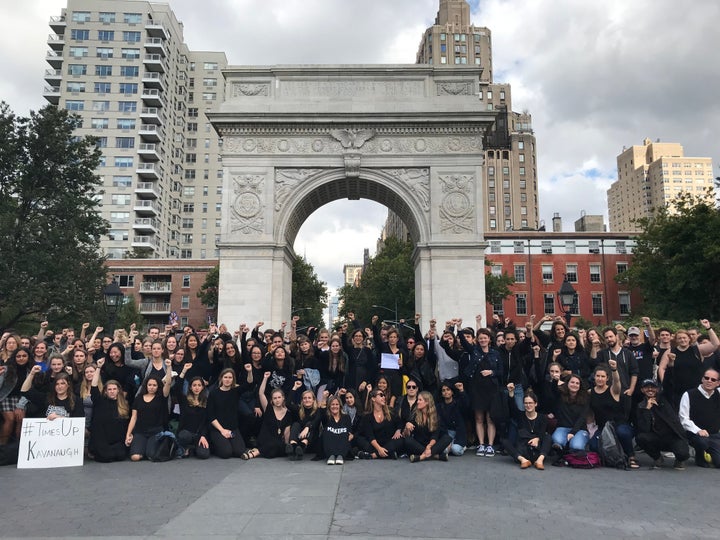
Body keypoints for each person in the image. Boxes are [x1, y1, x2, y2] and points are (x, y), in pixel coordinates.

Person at [458, 325, 501, 457]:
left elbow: (501, 371)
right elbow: (464, 343)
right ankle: (481, 444)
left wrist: (491, 372)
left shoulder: (496, 353)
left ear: (489, 339)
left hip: (491, 388)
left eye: (485, 338)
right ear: (477, 340)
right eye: (480, 338)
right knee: (479, 418)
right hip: (476, 388)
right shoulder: (474, 351)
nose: (482, 340)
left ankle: (490, 445)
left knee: (490, 418)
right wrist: (459, 328)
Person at [588, 361, 639, 469]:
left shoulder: (613, 390)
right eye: (598, 376)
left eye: (603, 376)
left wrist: (614, 370)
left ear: (607, 378)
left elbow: (617, 382)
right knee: (593, 445)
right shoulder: (590, 392)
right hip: (602, 427)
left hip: (618, 424)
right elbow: (589, 413)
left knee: (622, 432)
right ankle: (612, 458)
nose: (600, 379)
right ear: (594, 377)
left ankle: (631, 456)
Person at [243, 371, 301, 459]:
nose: (277, 400)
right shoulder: (268, 408)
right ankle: (255, 453)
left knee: (278, 446)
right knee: (272, 445)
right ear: (272, 400)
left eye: (279, 397)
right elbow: (261, 394)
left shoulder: (288, 413)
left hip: (277, 442)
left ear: (283, 398)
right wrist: (265, 378)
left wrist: (287, 445)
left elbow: (286, 432)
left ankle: (257, 450)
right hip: (265, 439)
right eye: (275, 398)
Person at [124, 360, 173, 461]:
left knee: (151, 455)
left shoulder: (161, 397)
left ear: (158, 386)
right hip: (140, 431)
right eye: (149, 385)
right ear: (146, 385)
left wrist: (168, 367)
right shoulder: (138, 398)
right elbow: (134, 417)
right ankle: (142, 450)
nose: (151, 387)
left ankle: (148, 450)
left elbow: (168, 383)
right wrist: (128, 434)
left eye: (154, 385)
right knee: (135, 457)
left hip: (156, 431)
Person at [635, 379, 689, 470]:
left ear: (658, 389)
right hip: (657, 438)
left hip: (673, 437)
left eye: (653, 387)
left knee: (683, 453)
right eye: (647, 387)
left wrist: (669, 367)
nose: (650, 389)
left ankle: (679, 460)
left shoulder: (666, 399)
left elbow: (669, 383)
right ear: (642, 390)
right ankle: (657, 458)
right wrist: (647, 410)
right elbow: (644, 428)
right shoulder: (640, 406)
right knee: (641, 438)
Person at [89, 358, 129, 462]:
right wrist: (98, 368)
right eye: (109, 389)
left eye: (114, 389)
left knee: (120, 456)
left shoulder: (124, 404)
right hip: (102, 439)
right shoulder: (100, 401)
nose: (112, 391)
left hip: (117, 440)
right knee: (106, 457)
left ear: (118, 390)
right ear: (105, 391)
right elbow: (94, 386)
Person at [678, 368, 720, 468]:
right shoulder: (688, 394)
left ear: (718, 383)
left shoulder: (718, 394)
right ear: (702, 379)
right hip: (695, 435)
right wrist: (698, 430)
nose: (709, 381)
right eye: (707, 378)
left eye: (713, 380)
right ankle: (699, 456)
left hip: (714, 435)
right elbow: (683, 419)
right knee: (702, 442)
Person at [503, 386, 551, 470]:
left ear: (535, 404)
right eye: (526, 403)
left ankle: (540, 461)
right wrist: (511, 393)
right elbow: (512, 408)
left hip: (537, 449)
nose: (528, 405)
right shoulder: (520, 415)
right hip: (523, 449)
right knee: (504, 440)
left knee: (548, 437)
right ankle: (523, 460)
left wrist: (537, 439)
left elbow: (542, 432)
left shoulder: (542, 417)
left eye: (530, 403)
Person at [206, 368, 247, 459]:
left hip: (232, 428)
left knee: (239, 451)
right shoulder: (213, 393)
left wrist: (249, 371)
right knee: (226, 453)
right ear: (221, 378)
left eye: (230, 377)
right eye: (225, 377)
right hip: (217, 428)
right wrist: (222, 430)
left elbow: (249, 384)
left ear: (233, 379)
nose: (227, 379)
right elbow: (211, 416)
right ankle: (213, 444)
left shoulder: (235, 392)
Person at [356, 388, 404, 460]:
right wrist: (379, 448)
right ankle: (388, 454)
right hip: (374, 443)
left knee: (401, 440)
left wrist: (398, 430)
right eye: (381, 395)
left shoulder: (390, 411)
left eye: (384, 395)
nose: (384, 397)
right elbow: (370, 436)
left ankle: (373, 455)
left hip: (388, 442)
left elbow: (400, 423)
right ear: (373, 399)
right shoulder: (367, 416)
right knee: (359, 439)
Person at [404, 391, 452, 462]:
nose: (417, 402)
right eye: (418, 400)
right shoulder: (415, 415)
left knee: (447, 438)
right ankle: (435, 456)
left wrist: (429, 447)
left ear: (427, 402)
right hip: (418, 445)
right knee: (407, 440)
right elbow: (407, 435)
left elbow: (435, 436)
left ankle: (422, 457)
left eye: (420, 400)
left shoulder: (435, 416)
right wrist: (407, 427)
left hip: (432, 444)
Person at [0, 347, 33, 444]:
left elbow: (29, 390)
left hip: (22, 399)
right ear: (14, 357)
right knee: (10, 419)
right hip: (5, 397)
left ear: (28, 357)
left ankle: (18, 446)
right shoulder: (6, 369)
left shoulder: (31, 371)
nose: (21, 358)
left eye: (24, 356)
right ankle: (2, 446)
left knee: (20, 419)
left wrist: (20, 406)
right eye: (18, 356)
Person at [175, 370, 210, 460]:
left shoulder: (206, 402)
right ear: (190, 387)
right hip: (186, 433)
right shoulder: (184, 400)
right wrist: (183, 371)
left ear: (202, 387)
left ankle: (191, 449)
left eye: (199, 385)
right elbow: (177, 388)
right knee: (184, 436)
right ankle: (186, 446)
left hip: (199, 434)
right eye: (194, 385)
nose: (197, 388)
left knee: (204, 455)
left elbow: (206, 422)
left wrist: (203, 436)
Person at [550, 374, 590, 452]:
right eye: (572, 382)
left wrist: (573, 432)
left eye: (577, 383)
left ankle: (572, 447)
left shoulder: (585, 398)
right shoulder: (560, 396)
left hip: (579, 429)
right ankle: (565, 450)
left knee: (576, 446)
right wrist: (555, 381)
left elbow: (582, 417)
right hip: (563, 428)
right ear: (567, 383)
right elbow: (553, 390)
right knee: (557, 441)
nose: (574, 385)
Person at [287, 390, 323, 460]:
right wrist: (295, 388)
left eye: (309, 398)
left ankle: (302, 446)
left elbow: (315, 422)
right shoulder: (299, 409)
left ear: (313, 400)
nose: (307, 400)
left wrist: (307, 427)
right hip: (298, 438)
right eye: (305, 398)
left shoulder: (318, 410)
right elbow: (287, 404)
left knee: (311, 426)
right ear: (302, 400)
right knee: (296, 424)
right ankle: (293, 446)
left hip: (311, 441)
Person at [437, 381, 469, 456]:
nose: (446, 392)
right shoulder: (439, 407)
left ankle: (461, 447)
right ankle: (451, 446)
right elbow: (440, 425)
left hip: (458, 433)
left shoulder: (458, 404)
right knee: (444, 451)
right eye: (443, 390)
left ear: (452, 392)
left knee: (456, 450)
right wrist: (447, 441)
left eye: (448, 390)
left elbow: (466, 405)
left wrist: (461, 390)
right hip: (446, 433)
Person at [322, 395, 353, 465]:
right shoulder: (326, 417)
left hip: (342, 444)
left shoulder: (346, 417)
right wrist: (324, 398)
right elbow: (321, 410)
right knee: (327, 431)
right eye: (332, 404)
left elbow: (350, 432)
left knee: (344, 432)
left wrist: (351, 436)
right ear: (329, 406)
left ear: (340, 406)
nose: (335, 406)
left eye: (337, 404)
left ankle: (340, 456)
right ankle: (331, 456)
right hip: (330, 443)